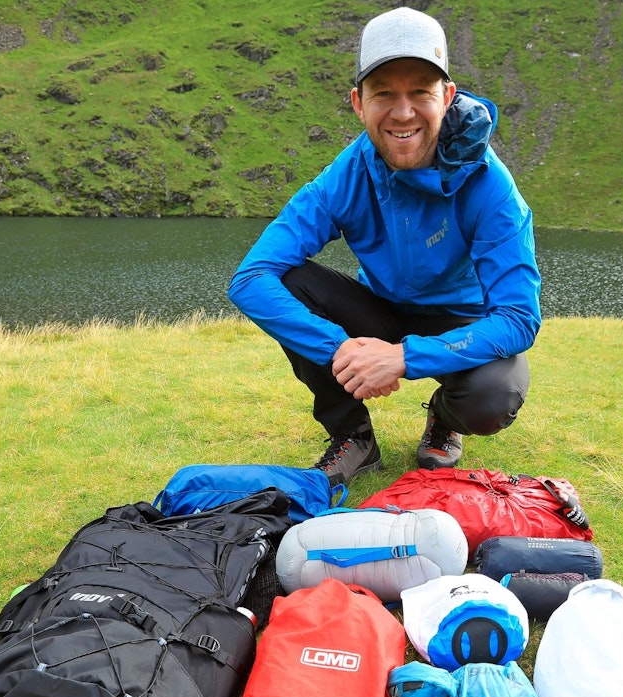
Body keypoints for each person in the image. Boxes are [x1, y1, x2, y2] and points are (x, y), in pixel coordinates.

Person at [228, 7, 540, 485]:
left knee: (492, 397)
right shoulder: (345, 177)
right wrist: (344, 351)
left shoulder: (491, 186)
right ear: (358, 103)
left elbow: (518, 318)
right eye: (383, 94)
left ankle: (444, 417)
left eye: (420, 92)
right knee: (289, 281)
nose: (402, 112)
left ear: (447, 96)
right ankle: (352, 436)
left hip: (459, 320)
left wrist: (402, 359)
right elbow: (251, 278)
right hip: (379, 311)